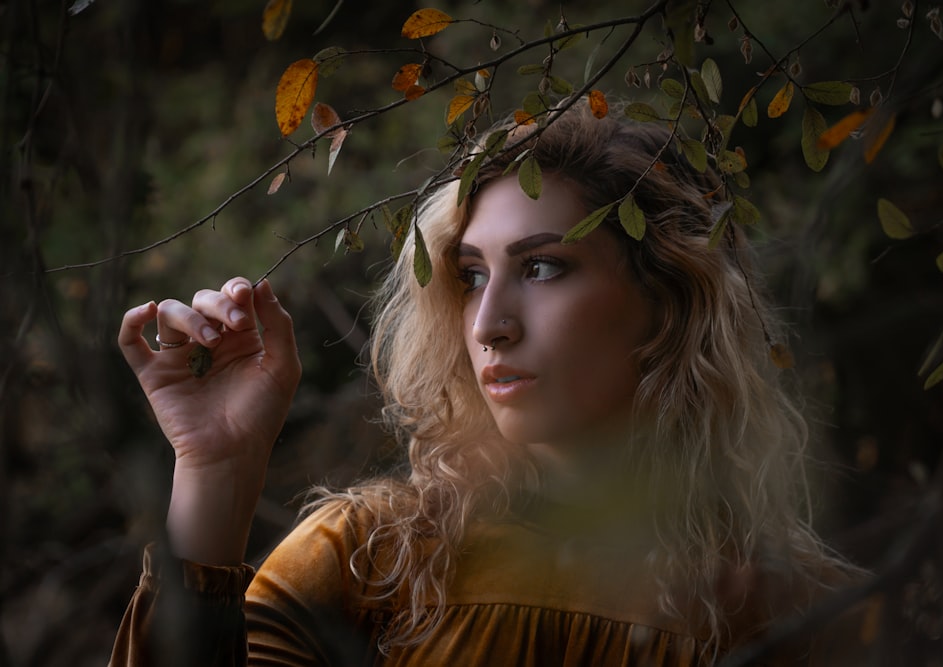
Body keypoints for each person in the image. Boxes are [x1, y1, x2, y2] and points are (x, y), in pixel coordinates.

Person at [109, 101, 863, 666]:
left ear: (667, 300)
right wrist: (218, 468)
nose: (488, 323)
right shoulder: (371, 561)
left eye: (541, 267)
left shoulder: (797, 609)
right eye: (471, 277)